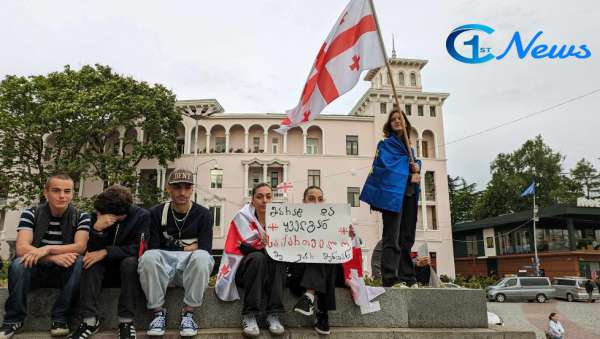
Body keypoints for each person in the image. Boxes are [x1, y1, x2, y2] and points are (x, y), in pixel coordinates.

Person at [0, 174, 90, 339]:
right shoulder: (31, 213)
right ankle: (13, 321)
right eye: (56, 190)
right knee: (19, 263)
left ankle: (60, 319)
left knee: (80, 262)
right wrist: (51, 257)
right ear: (45, 193)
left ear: (72, 194)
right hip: (35, 271)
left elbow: (80, 247)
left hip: (64, 273)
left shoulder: (81, 216)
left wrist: (47, 249)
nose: (62, 196)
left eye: (67, 191)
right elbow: (21, 248)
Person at [138, 168, 214, 337]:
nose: (182, 192)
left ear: (192, 189)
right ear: (169, 189)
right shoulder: (156, 213)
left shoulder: (203, 214)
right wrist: (185, 248)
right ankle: (158, 313)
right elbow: (154, 247)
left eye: (187, 187)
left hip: (189, 271)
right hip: (164, 269)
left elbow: (205, 249)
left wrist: (180, 248)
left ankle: (188, 313)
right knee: (148, 257)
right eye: (177, 187)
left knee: (202, 257)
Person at [69, 185, 149, 339]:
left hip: (128, 273)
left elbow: (140, 249)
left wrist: (106, 252)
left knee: (130, 262)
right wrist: (97, 230)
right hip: (102, 272)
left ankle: (126, 322)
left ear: (118, 215)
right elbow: (90, 250)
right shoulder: (97, 216)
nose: (98, 214)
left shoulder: (142, 216)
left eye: (101, 213)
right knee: (90, 261)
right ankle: (89, 321)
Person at [359, 109, 421, 287]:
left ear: (406, 123)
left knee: (406, 237)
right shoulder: (385, 145)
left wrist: (417, 166)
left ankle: (408, 277)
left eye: (399, 118)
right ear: (389, 124)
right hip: (392, 197)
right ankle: (390, 277)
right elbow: (386, 168)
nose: (396, 121)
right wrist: (410, 175)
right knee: (391, 237)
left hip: (409, 195)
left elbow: (413, 167)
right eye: (393, 119)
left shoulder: (409, 147)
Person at [215, 183, 286, 337]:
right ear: (252, 200)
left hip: (271, 273)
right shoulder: (242, 218)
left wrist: (254, 248)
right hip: (245, 272)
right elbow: (236, 248)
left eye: (268, 196)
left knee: (276, 258)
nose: (264, 200)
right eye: (259, 197)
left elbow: (285, 249)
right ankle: (250, 315)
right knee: (258, 257)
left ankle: (273, 314)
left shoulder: (280, 220)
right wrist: (260, 249)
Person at [291, 186, 344, 335]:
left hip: (328, 273)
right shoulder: (292, 222)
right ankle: (322, 313)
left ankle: (309, 297)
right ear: (303, 202)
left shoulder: (331, 224)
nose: (316, 202)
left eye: (320, 199)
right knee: (324, 256)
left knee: (328, 254)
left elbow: (341, 251)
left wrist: (348, 236)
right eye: (311, 199)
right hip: (299, 277)